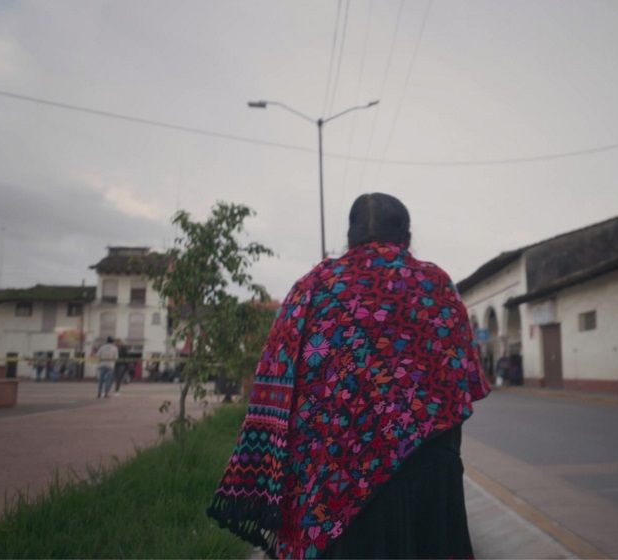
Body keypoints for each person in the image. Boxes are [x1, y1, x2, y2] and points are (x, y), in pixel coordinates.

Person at [206, 193, 491, 559]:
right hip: (428, 488)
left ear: (350, 235)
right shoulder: (435, 284)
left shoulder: (313, 287)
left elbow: (276, 382)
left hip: (334, 490)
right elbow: (462, 381)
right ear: (405, 233)